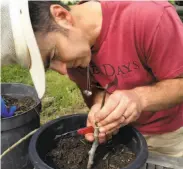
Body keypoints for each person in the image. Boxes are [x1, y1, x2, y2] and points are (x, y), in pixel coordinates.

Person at [2, 0, 183, 157]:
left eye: (54, 55)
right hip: (122, 137)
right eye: (49, 66)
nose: (63, 70)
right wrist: (99, 106)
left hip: (167, 137)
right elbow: (92, 90)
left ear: (61, 16)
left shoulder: (150, 17)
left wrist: (140, 98)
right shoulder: (76, 51)